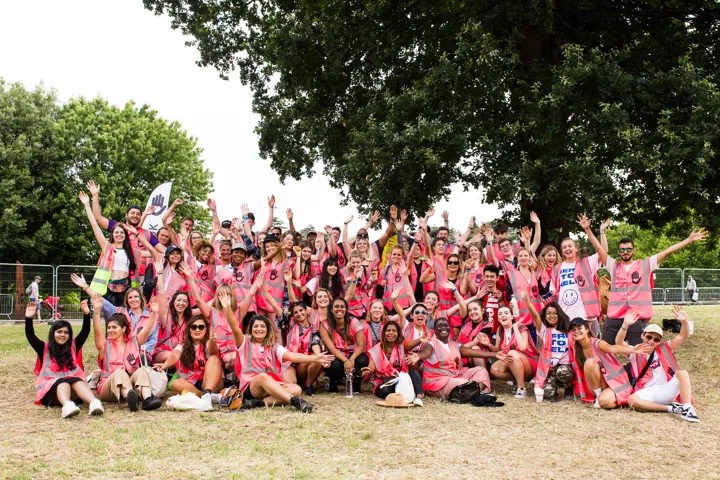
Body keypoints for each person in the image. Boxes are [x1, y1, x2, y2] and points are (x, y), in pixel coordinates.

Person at [603, 230, 707, 345]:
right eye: (622, 250)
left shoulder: (645, 264)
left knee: (639, 353)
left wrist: (688, 240)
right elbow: (600, 251)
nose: (625, 252)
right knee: (604, 349)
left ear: (634, 250)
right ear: (618, 252)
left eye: (628, 249)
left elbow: (667, 252)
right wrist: (596, 230)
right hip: (614, 317)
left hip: (637, 318)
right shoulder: (613, 266)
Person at [228, 312, 333, 412]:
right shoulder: (244, 342)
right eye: (256, 326)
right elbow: (235, 328)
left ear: (267, 330)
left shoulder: (274, 347)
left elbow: (292, 356)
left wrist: (315, 358)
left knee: (296, 389)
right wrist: (227, 307)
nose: (259, 329)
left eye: (262, 326)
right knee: (263, 377)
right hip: (251, 387)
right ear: (251, 329)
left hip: (271, 386)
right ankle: (295, 402)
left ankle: (256, 403)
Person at [617, 308, 699, 422]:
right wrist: (625, 325)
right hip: (647, 391)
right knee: (632, 400)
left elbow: (682, 336)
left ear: (659, 342)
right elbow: (619, 343)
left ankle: (687, 408)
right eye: (649, 337)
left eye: (656, 339)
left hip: (665, 389)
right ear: (643, 335)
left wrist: (684, 321)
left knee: (682, 373)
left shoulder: (664, 348)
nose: (651, 341)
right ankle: (672, 409)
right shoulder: (636, 350)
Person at [25, 301, 104, 418]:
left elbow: (85, 332)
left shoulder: (73, 346)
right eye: (59, 332)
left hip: (72, 388)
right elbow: (31, 336)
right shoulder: (44, 348)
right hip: (50, 391)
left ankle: (94, 403)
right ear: (53, 333)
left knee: (77, 381)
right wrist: (28, 319)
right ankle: (67, 406)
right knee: (63, 382)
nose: (63, 335)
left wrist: (87, 314)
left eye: (66, 332)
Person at [91, 295, 162, 411]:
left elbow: (147, 331)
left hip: (130, 381)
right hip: (108, 386)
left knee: (142, 370)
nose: (110, 330)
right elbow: (97, 331)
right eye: (108, 328)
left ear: (123, 329)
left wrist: (154, 313)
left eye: (114, 327)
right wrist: (97, 312)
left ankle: (147, 399)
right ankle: (130, 398)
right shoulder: (105, 345)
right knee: (120, 373)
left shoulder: (133, 343)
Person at [569, 317, 652, 409]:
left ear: (587, 330)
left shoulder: (597, 343)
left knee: (605, 402)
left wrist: (633, 350)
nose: (576, 331)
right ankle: (599, 396)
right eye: (573, 330)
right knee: (590, 364)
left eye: (580, 328)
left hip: (615, 382)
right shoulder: (576, 347)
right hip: (599, 384)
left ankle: (613, 398)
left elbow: (613, 348)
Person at [79, 191, 139, 307]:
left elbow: (152, 252)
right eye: (116, 232)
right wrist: (87, 205)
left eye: (122, 232)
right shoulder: (107, 247)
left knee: (124, 321)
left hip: (126, 290)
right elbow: (95, 226)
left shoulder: (131, 252)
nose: (119, 234)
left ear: (125, 235)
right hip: (109, 289)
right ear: (113, 235)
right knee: (110, 320)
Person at [552, 214, 606, 337]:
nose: (567, 249)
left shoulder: (587, 262)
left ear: (576, 248)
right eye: (564, 247)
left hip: (587, 316)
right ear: (562, 251)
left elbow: (603, 251)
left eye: (570, 246)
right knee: (572, 351)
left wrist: (588, 230)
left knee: (590, 350)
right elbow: (554, 293)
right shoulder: (557, 269)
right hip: (566, 317)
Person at [417, 317, 492, 401]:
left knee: (481, 371)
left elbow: (472, 352)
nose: (443, 328)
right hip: (437, 382)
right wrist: (418, 356)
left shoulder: (454, 344)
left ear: (449, 329)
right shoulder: (430, 344)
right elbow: (426, 353)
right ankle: (472, 392)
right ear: (434, 330)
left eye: (446, 325)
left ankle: (472, 392)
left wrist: (494, 354)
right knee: (463, 383)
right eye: (440, 326)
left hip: (454, 376)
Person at [156, 312, 224, 397]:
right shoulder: (182, 345)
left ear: (206, 330)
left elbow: (213, 351)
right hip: (190, 384)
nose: (197, 330)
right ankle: (206, 396)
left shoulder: (209, 343)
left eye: (201, 327)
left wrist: (213, 342)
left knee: (214, 359)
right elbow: (175, 355)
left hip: (209, 383)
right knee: (175, 383)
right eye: (194, 327)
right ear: (189, 330)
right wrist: (164, 366)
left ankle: (208, 392)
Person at [362, 321, 424, 405]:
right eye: (388, 330)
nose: (391, 333)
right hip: (384, 382)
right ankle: (403, 395)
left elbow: (411, 344)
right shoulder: (376, 349)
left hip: (401, 379)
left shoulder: (402, 345)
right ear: (384, 333)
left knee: (413, 372)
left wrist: (421, 339)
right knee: (385, 391)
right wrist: (367, 371)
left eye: (394, 331)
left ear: (398, 333)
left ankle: (419, 397)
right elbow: (371, 367)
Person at [525, 295, 573, 402]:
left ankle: (569, 387)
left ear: (559, 314)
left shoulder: (569, 330)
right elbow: (536, 317)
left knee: (563, 371)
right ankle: (554, 387)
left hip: (565, 366)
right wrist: (528, 303)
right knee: (547, 395)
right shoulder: (544, 331)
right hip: (549, 368)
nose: (552, 316)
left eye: (555, 313)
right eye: (548, 313)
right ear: (545, 316)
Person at [483, 306, 539, 398]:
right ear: (498, 318)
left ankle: (521, 389)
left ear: (512, 316)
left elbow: (522, 347)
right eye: (500, 314)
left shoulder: (521, 327)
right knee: (494, 369)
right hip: (513, 361)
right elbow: (497, 350)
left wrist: (515, 328)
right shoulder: (500, 330)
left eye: (506, 313)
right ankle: (517, 381)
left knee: (512, 353)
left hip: (529, 364)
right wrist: (488, 344)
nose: (503, 315)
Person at [319, 297, 369, 393]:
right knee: (333, 363)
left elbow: (361, 345)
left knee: (362, 360)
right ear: (331, 309)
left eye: (342, 307)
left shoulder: (354, 321)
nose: (339, 309)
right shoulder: (325, 325)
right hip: (337, 354)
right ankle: (334, 382)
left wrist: (351, 359)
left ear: (346, 310)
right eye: (336, 306)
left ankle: (356, 383)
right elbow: (331, 348)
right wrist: (346, 360)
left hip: (352, 354)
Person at [284, 302, 323, 395]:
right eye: (296, 312)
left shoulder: (313, 327)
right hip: (292, 362)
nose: (299, 314)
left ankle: (308, 386)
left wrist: (319, 356)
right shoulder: (291, 324)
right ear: (293, 315)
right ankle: (299, 384)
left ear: (306, 311)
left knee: (317, 358)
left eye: (301, 310)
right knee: (290, 384)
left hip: (306, 362)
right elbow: (282, 313)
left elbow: (315, 343)